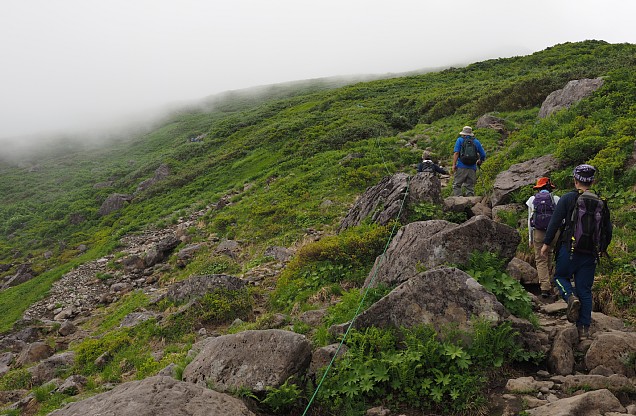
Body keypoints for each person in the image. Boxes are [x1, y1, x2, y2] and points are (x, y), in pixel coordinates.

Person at [540, 164, 612, 340]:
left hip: (569, 249)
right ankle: (584, 331)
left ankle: (570, 297)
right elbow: (607, 230)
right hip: (590, 253)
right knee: (585, 290)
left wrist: (546, 244)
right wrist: (602, 249)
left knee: (560, 277)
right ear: (593, 181)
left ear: (575, 180)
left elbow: (555, 222)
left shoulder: (567, 199)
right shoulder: (600, 202)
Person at [525, 177, 560, 299]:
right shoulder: (555, 199)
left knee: (540, 259)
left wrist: (530, 238)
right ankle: (549, 281)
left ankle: (545, 288)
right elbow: (561, 218)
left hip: (539, 232)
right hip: (554, 232)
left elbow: (530, 221)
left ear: (539, 188)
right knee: (549, 253)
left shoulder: (532, 200)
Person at [451, 126, 486, 196]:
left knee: (457, 185)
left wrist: (454, 164)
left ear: (463, 133)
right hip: (472, 168)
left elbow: (456, 153)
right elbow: (483, 154)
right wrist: (480, 161)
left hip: (461, 166)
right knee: (470, 187)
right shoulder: (476, 142)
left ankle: (459, 201)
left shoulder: (460, 140)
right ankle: (470, 203)